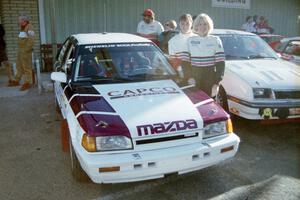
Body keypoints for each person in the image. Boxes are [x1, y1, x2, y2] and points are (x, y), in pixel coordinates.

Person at [187, 13, 225, 97]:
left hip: (209, 78)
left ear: (209, 26)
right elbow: (186, 62)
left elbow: (220, 63)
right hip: (194, 78)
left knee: (209, 104)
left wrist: (216, 83)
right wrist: (189, 77)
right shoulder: (190, 40)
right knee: (195, 102)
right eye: (200, 24)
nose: (203, 27)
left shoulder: (215, 40)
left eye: (205, 24)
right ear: (196, 26)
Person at [8, 14, 35, 91]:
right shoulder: (22, 28)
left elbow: (31, 40)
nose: (18, 21)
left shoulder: (30, 27)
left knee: (27, 67)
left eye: (19, 20)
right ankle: (17, 80)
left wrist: (26, 49)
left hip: (26, 51)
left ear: (24, 20)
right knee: (19, 66)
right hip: (20, 51)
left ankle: (27, 82)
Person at [168, 14, 196, 84]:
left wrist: (195, 76)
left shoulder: (198, 38)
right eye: (182, 24)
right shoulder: (172, 41)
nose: (185, 26)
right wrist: (183, 75)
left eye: (187, 23)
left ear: (191, 24)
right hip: (183, 75)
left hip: (198, 72)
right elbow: (174, 60)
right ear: (179, 24)